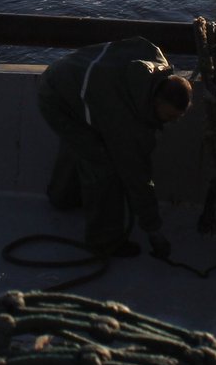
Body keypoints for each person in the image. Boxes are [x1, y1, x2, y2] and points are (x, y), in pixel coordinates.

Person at [39, 37, 193, 259]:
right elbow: (137, 176)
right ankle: (104, 242)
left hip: (69, 75)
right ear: (156, 101)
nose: (171, 123)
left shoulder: (155, 63)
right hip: (57, 99)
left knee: (82, 144)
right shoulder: (124, 119)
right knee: (102, 165)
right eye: (169, 116)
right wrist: (153, 230)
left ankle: (61, 197)